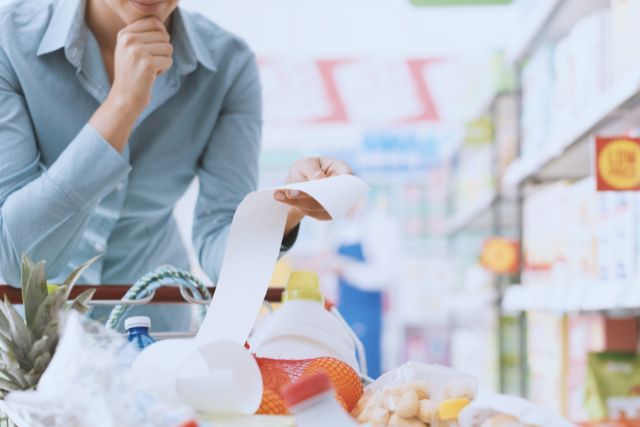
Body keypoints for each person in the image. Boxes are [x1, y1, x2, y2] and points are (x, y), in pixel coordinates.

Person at [0, 0, 351, 330]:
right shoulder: (10, 41)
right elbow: (17, 262)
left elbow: (221, 251)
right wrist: (122, 105)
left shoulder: (228, 65)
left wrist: (286, 208)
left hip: (156, 337)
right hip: (33, 346)